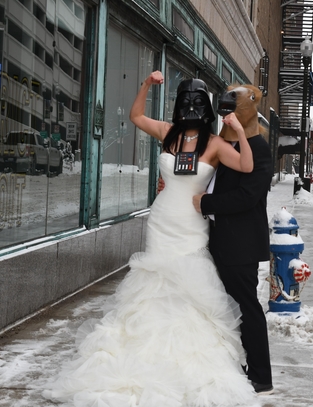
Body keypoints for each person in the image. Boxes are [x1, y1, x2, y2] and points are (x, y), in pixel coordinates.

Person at [43, 71, 256, 406]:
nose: (190, 107)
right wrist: (146, 84)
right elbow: (136, 116)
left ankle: (183, 361)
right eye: (185, 100)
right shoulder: (168, 133)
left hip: (191, 225)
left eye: (197, 102)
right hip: (162, 221)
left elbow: (245, 165)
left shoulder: (215, 144)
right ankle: (144, 352)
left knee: (188, 290)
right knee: (154, 288)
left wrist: (239, 132)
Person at [192, 86, 274, 395]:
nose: (225, 115)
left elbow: (249, 196)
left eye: (231, 109)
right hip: (218, 240)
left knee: (246, 308)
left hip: (239, 245)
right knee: (226, 308)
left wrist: (206, 204)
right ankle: (233, 365)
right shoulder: (222, 143)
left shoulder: (257, 146)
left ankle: (260, 376)